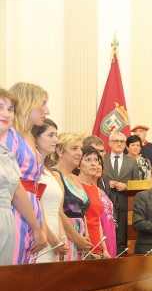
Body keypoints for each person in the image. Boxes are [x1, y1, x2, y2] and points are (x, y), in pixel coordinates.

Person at [2, 83, 50, 263]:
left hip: (31, 217)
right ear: (28, 103)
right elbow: (12, 185)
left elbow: (35, 191)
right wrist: (36, 226)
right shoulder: (10, 136)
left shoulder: (28, 138)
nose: (47, 110)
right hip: (15, 214)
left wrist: (41, 227)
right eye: (43, 103)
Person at [33, 119, 69, 262]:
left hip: (54, 239)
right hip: (40, 236)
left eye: (56, 135)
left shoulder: (49, 171)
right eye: (50, 135)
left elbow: (56, 211)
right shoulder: (31, 169)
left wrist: (62, 237)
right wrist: (52, 239)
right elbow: (34, 207)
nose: (55, 140)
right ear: (35, 137)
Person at [54, 133, 93, 260]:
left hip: (80, 239)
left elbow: (83, 211)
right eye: (74, 148)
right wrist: (76, 238)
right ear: (59, 151)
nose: (79, 153)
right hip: (65, 237)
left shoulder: (75, 178)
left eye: (81, 149)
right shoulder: (56, 174)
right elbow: (58, 212)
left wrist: (84, 237)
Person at [104, 131, 140, 254]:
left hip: (125, 202)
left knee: (122, 235)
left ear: (125, 144)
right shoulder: (103, 159)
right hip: (107, 200)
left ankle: (120, 256)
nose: (119, 144)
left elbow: (137, 184)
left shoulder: (131, 161)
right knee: (107, 232)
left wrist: (126, 186)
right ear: (109, 143)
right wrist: (106, 184)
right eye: (115, 141)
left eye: (122, 141)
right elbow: (95, 180)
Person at [78, 146, 110, 258]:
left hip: (98, 244)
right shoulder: (76, 186)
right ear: (78, 163)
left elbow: (98, 222)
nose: (93, 164)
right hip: (83, 243)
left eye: (96, 160)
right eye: (88, 160)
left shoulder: (95, 188)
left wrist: (104, 248)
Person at [94, 154, 117, 257]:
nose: (98, 166)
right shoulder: (85, 188)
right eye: (92, 162)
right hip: (99, 235)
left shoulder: (101, 188)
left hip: (109, 233)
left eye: (100, 163)